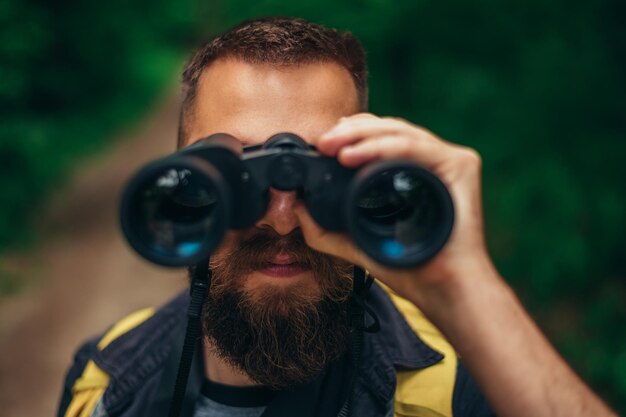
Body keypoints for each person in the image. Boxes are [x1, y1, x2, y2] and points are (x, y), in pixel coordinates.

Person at [57, 17, 617, 417]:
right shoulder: (105, 381)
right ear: (187, 187)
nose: (281, 221)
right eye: (233, 176)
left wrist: (466, 286)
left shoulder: (455, 387)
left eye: (318, 172)